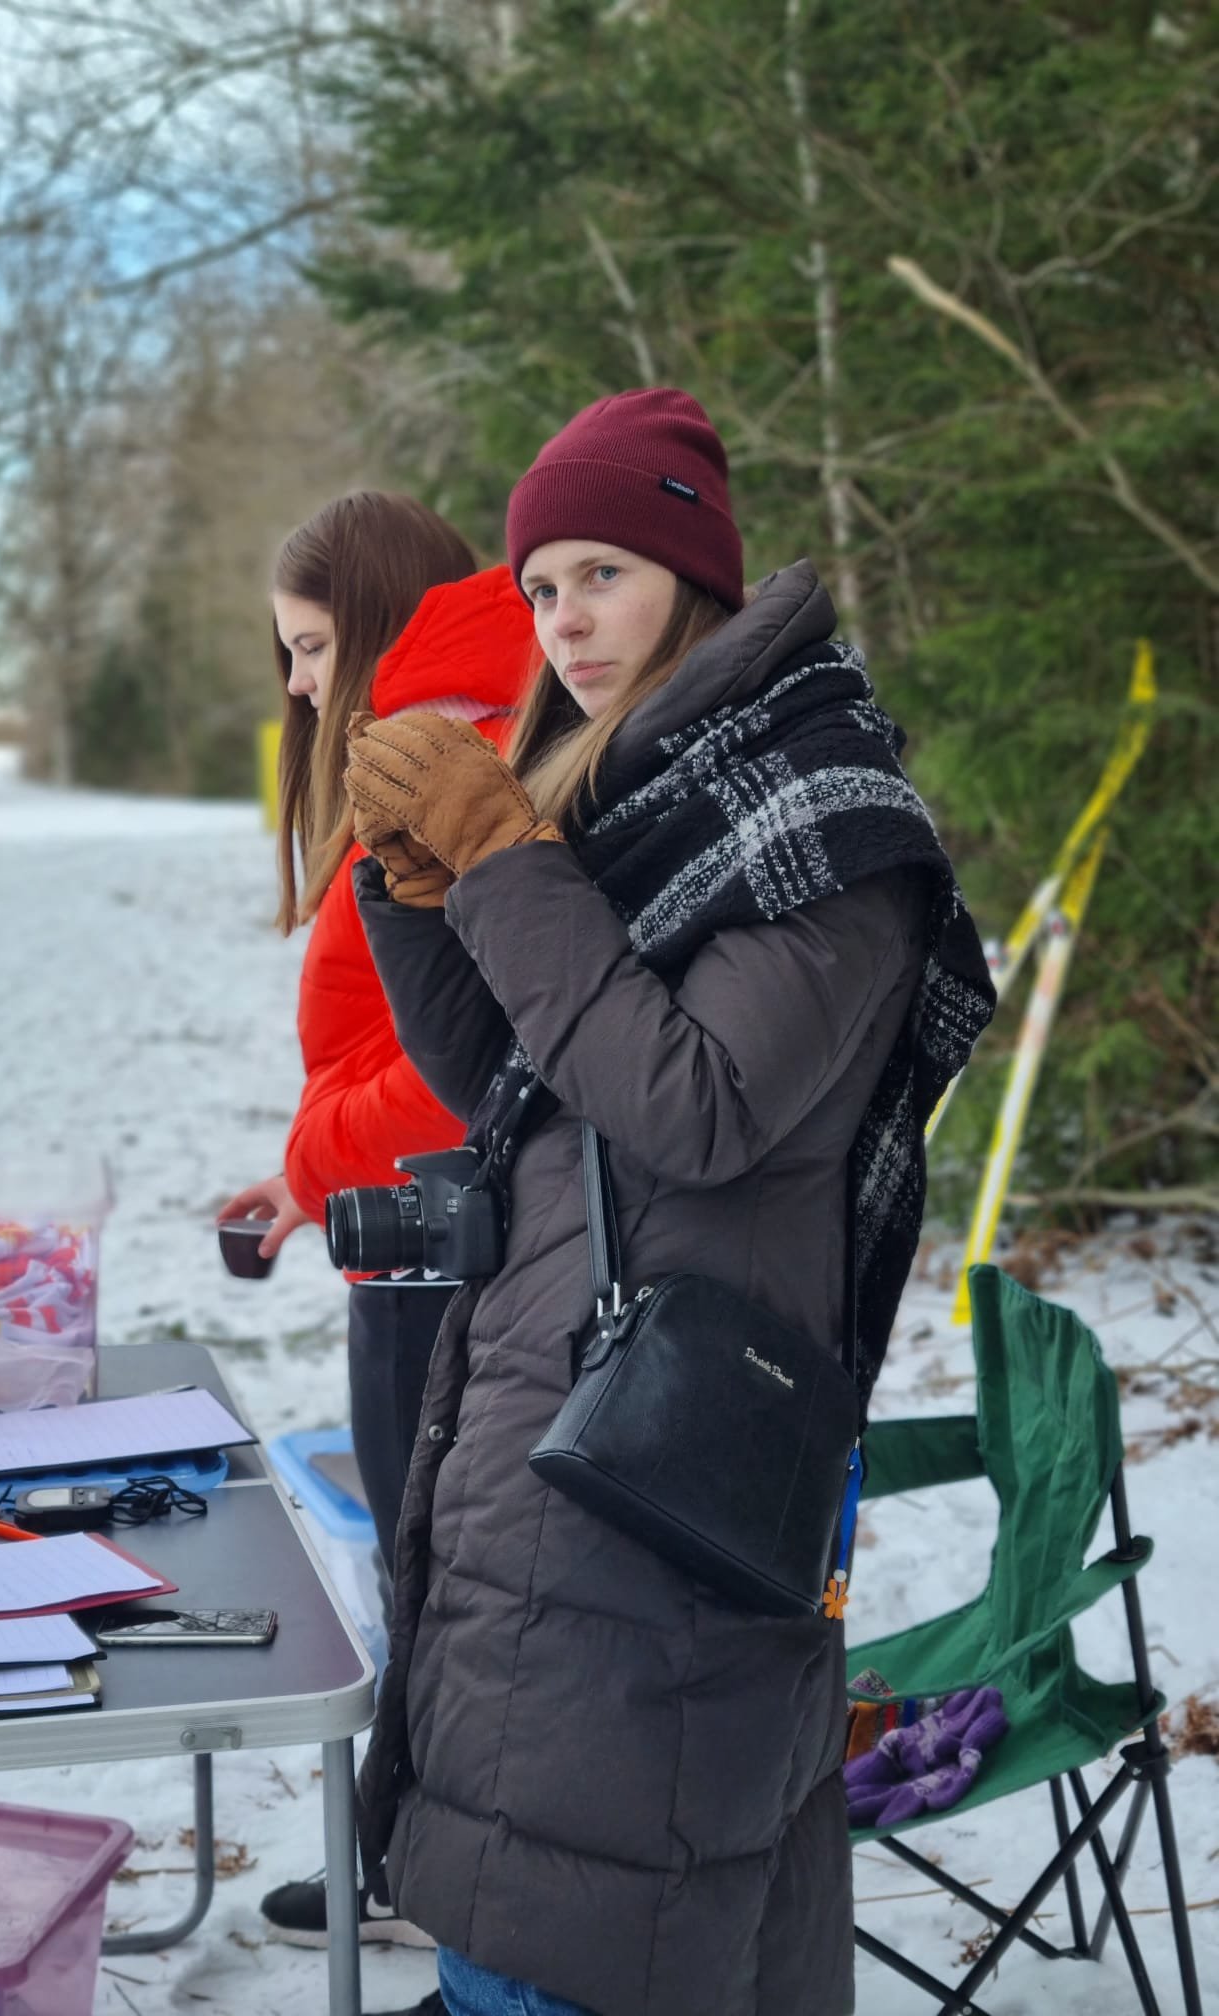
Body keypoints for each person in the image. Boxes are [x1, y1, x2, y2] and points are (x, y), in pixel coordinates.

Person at [342, 389, 995, 2016]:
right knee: (536, 1910)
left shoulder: (817, 818)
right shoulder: (642, 803)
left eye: (603, 574)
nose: (564, 621)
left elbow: (692, 1105)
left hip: (660, 1475)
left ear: (695, 576)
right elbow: (521, 1078)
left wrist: (506, 862)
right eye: (540, 587)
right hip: (551, 1436)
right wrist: (421, 894)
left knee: (581, 1928)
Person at [215, 491, 533, 1974]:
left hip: (451, 1245)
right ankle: (417, 1862)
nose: (294, 684)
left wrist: (320, 1152)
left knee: (448, 1591)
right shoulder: (432, 734)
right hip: (406, 1222)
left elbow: (478, 1057)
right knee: (432, 1585)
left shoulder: (452, 753)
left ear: (382, 622)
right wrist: (309, 1185)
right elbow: (396, 1032)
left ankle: (457, 1906)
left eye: (309, 646)